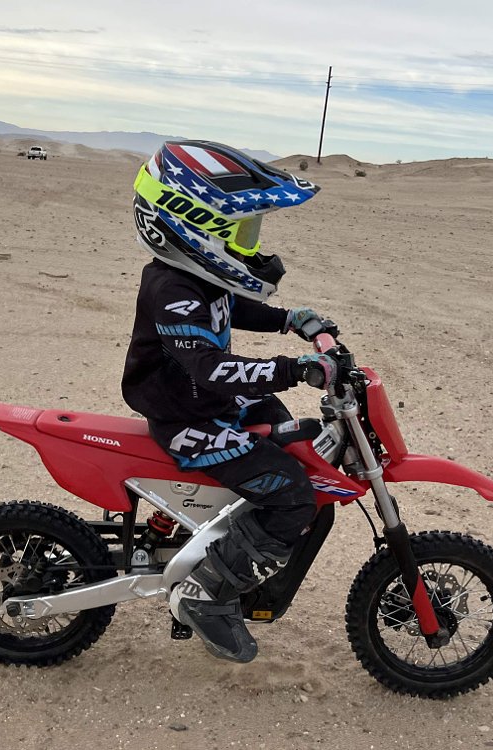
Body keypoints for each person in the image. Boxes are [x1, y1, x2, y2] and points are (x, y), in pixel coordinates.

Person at [122, 140, 338, 663]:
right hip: (187, 417)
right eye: (241, 230)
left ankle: (218, 540)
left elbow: (231, 305)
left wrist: (290, 320)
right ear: (195, 226)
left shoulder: (196, 278)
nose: (251, 242)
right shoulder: (174, 288)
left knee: (289, 437)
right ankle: (206, 595)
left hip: (210, 403)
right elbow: (208, 368)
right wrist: (294, 369)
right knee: (291, 493)